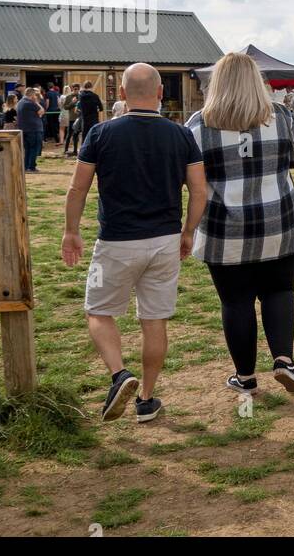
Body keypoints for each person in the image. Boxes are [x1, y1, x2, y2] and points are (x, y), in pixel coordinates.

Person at [63, 63, 207, 424]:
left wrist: (71, 231)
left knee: (98, 310)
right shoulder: (181, 135)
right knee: (154, 319)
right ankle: (146, 398)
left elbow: (77, 188)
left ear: (122, 94)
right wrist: (189, 231)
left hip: (116, 242)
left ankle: (118, 374)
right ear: (160, 93)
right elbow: (200, 190)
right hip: (165, 240)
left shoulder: (100, 133)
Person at [185, 52, 294, 396]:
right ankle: (284, 360)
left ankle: (245, 378)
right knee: (280, 291)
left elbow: (188, 177)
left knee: (236, 302)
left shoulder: (198, 124)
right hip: (278, 225)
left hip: (224, 231)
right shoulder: (281, 116)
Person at [17, 88, 45, 172]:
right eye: (34, 95)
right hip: (33, 129)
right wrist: (36, 102)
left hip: (24, 129)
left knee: (27, 149)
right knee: (34, 148)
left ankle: (26, 166)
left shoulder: (20, 102)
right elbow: (42, 111)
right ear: (32, 95)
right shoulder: (31, 103)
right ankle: (31, 166)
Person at [76, 81, 104, 153]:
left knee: (84, 135)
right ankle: (95, 151)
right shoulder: (95, 96)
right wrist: (96, 109)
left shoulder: (81, 96)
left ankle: (83, 151)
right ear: (91, 87)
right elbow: (101, 108)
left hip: (85, 119)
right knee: (94, 135)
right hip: (94, 118)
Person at [61, 84, 81, 155]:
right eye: (75, 89)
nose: (76, 90)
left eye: (77, 89)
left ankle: (75, 151)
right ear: (72, 89)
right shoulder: (68, 97)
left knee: (76, 135)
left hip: (79, 118)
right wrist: (72, 103)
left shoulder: (81, 96)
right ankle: (65, 149)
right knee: (69, 135)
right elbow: (65, 107)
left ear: (79, 89)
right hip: (72, 118)